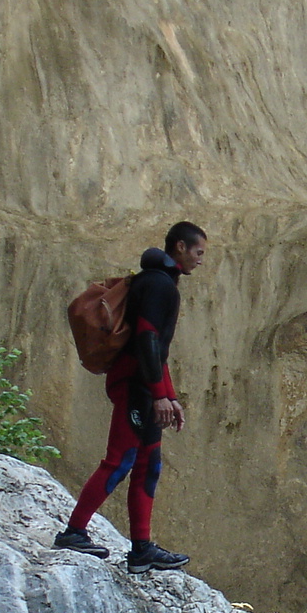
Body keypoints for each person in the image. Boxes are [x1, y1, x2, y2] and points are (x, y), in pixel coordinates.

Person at [53, 222, 207, 573]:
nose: (201, 260)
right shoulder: (158, 285)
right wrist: (158, 396)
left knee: (148, 465)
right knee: (120, 460)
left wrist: (170, 396)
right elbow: (147, 341)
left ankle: (141, 549)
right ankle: (73, 531)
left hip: (144, 386)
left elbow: (159, 351)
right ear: (180, 247)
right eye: (198, 253)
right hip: (135, 386)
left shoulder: (159, 282)